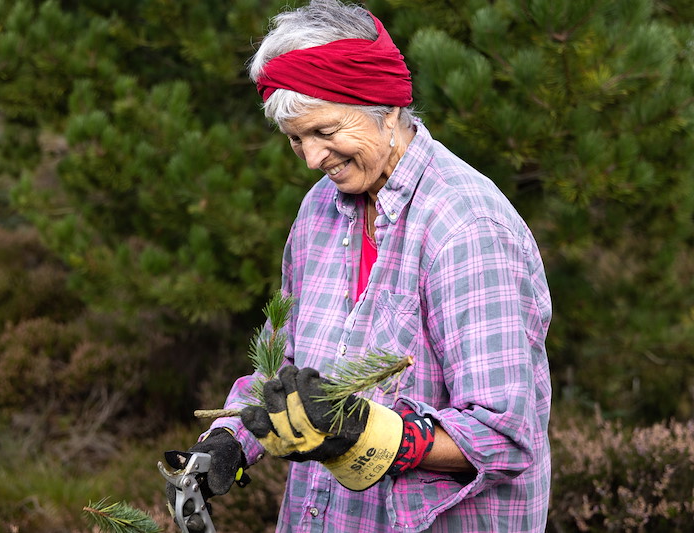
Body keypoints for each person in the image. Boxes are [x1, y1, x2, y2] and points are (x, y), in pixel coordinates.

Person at [165, 0, 552, 531]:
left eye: (325, 132)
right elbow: (285, 367)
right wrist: (230, 441)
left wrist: (367, 433)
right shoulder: (319, 210)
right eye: (296, 139)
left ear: (386, 107)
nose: (311, 158)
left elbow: (504, 435)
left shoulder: (465, 228)